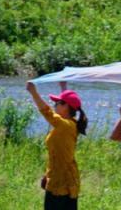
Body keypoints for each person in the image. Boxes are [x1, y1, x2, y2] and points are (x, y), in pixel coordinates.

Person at [26, 81, 88, 210]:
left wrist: (33, 92)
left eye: (57, 103)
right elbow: (69, 105)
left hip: (61, 182)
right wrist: (63, 87)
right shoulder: (71, 123)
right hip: (62, 178)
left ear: (66, 107)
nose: (54, 105)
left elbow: (47, 112)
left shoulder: (64, 125)